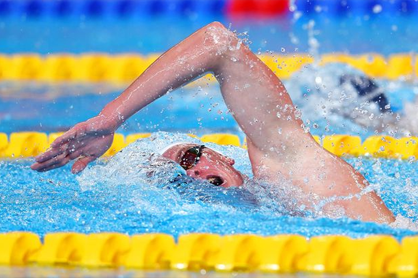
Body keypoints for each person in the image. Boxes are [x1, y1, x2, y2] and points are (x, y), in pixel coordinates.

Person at [31, 22, 395, 224]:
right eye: (176, 180)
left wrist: (110, 117)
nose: (189, 175)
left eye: (190, 159)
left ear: (225, 158)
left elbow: (218, 43)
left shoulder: (291, 172)